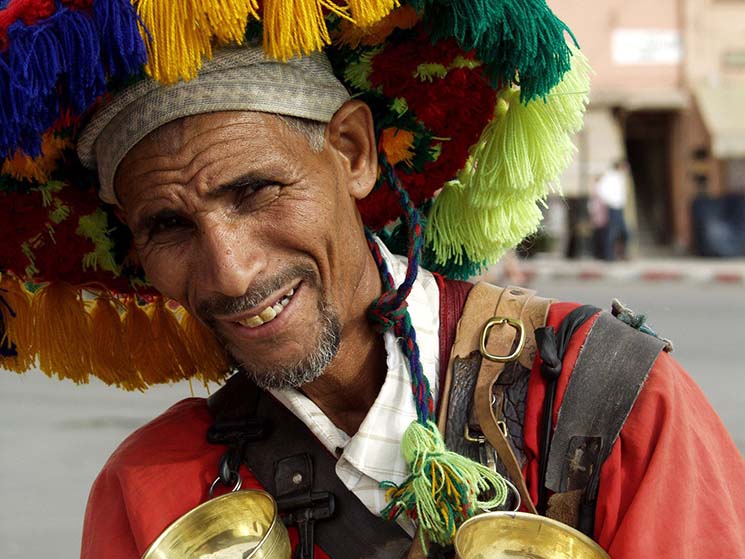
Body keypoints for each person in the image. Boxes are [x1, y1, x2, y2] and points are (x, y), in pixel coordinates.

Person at [0, 2, 743, 559]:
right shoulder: (153, 489)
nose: (231, 271)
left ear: (353, 151)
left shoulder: (609, 400)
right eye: (168, 226)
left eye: (255, 190)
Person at [595, 160, 630, 261]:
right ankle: (608, 255)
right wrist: (610, 201)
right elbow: (600, 190)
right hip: (613, 207)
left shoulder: (620, 177)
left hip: (619, 207)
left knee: (624, 232)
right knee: (612, 231)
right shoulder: (610, 176)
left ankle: (620, 254)